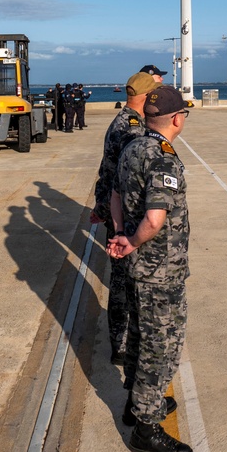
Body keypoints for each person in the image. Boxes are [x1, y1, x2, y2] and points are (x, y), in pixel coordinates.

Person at [107, 86, 193, 452]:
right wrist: (135, 240)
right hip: (160, 270)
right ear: (177, 119)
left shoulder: (133, 146)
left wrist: (120, 234)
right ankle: (145, 426)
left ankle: (135, 401)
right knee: (162, 348)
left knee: (140, 338)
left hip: (139, 267)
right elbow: (156, 219)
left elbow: (113, 194)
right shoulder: (162, 158)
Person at [91, 72, 161, 365]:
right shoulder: (131, 127)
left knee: (124, 283)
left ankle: (124, 341)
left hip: (120, 213)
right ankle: (120, 344)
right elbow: (119, 177)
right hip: (127, 218)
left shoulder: (124, 120)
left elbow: (105, 170)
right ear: (144, 98)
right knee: (121, 285)